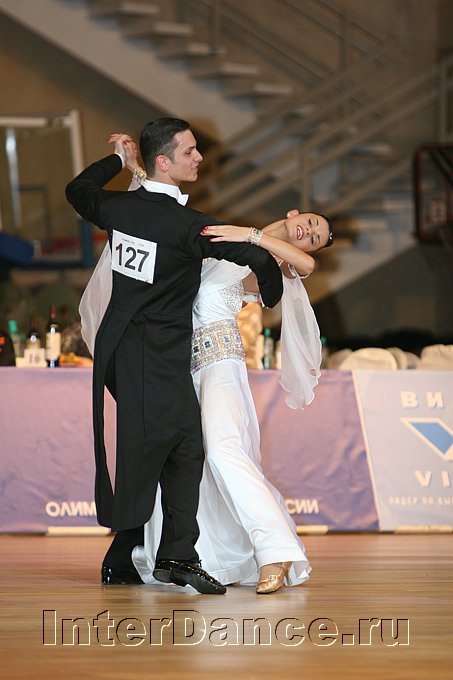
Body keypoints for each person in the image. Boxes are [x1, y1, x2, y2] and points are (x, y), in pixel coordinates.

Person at [80, 135, 333, 593]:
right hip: (176, 364)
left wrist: (254, 236)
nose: (307, 234)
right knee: (178, 460)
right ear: (296, 213)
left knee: (222, 449)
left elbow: (306, 268)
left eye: (315, 238)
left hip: (218, 363)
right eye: (310, 223)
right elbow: (158, 214)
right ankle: (171, 554)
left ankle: (276, 551)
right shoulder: (213, 232)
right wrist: (135, 166)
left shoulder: (268, 256)